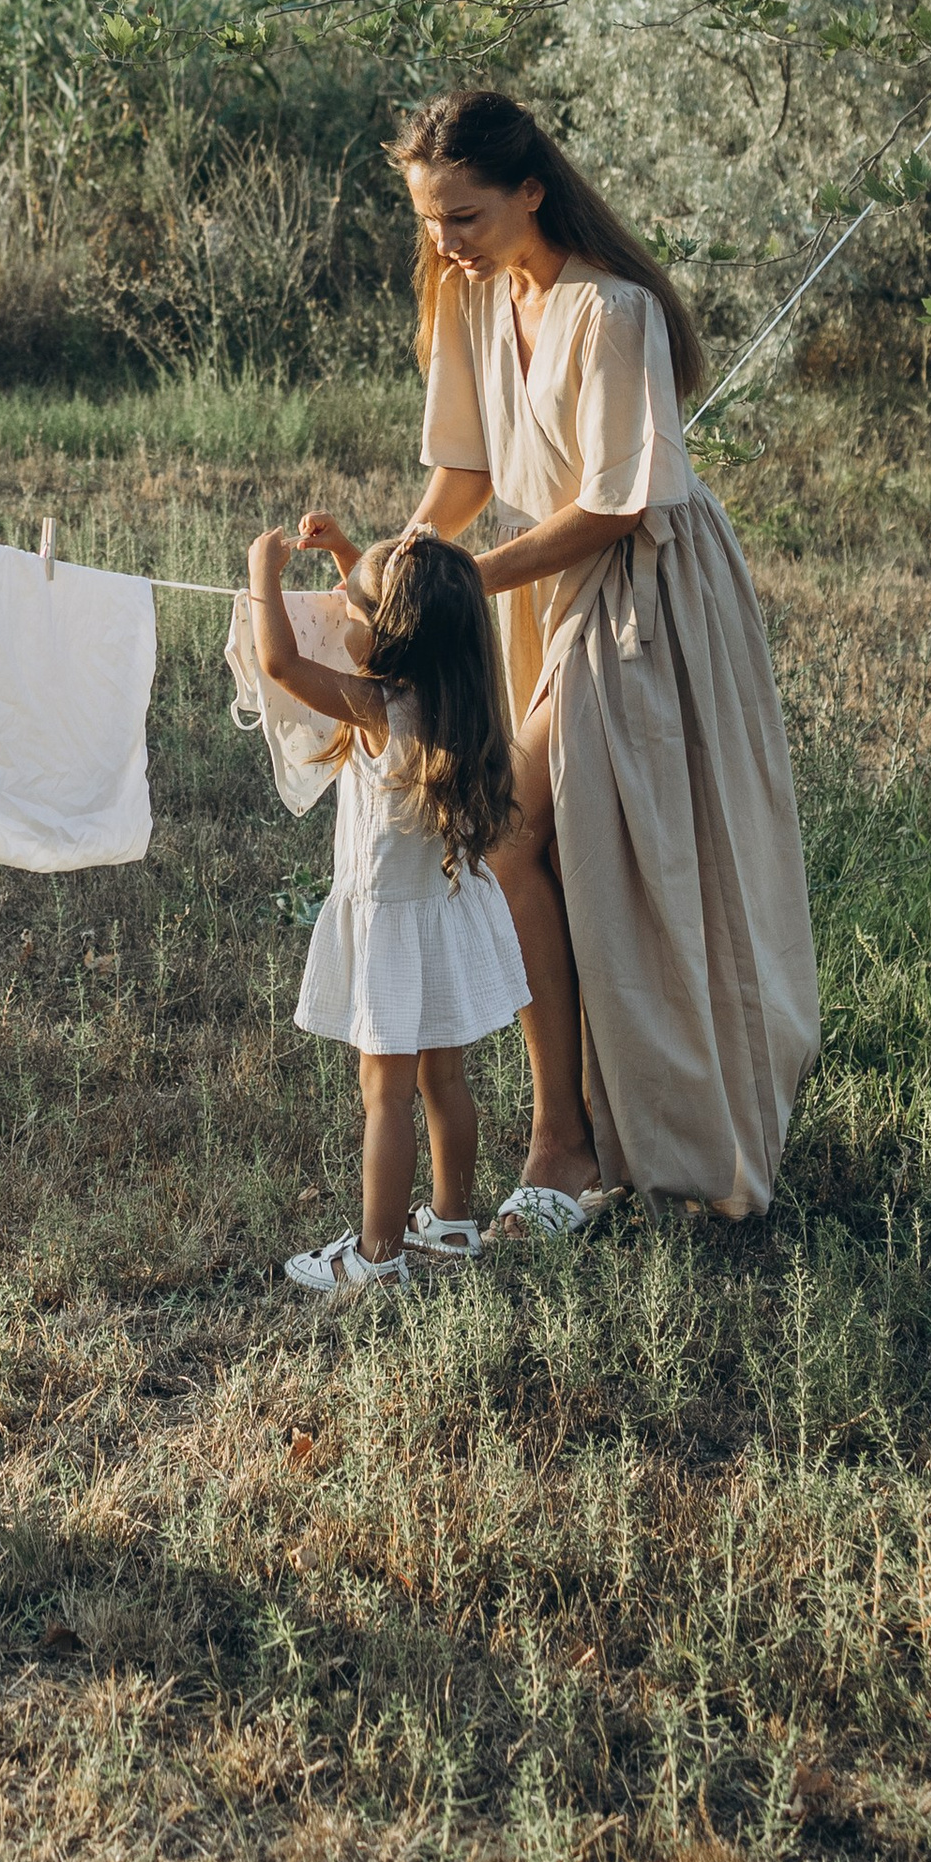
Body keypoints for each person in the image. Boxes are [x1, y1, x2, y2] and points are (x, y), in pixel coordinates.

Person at [301, 87, 818, 1233]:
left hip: (639, 594)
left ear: (530, 191)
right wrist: (396, 564)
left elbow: (616, 506)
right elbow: (464, 479)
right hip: (534, 590)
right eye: (430, 220)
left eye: (466, 217)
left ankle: (569, 1145)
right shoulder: (474, 300)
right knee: (514, 839)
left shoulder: (612, 311)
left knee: (531, 834)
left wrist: (463, 587)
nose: (445, 242)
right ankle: (571, 1132)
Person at [247, 521, 531, 1295]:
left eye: (353, 608)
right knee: (445, 1080)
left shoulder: (378, 709)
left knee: (386, 1097)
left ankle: (376, 1257)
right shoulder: (449, 703)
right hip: (438, 915)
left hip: (392, 931)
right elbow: (384, 616)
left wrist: (261, 576)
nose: (340, 612)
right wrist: (348, 554)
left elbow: (278, 660)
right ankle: (453, 1219)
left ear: (389, 638)